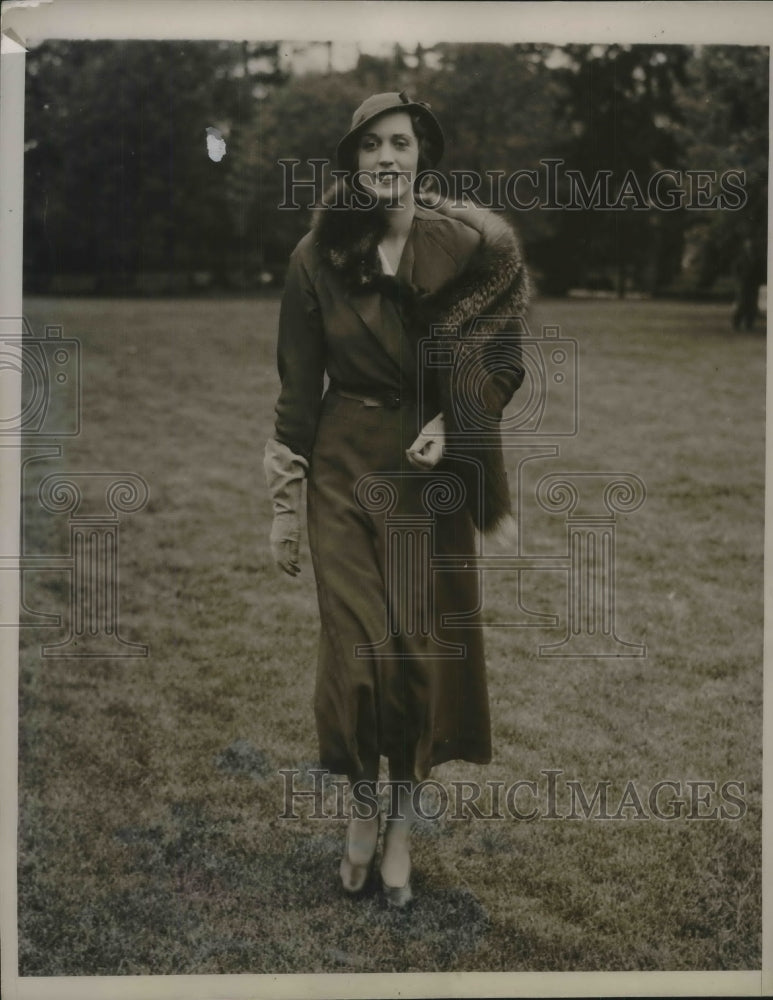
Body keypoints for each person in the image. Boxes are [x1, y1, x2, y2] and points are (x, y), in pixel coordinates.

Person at [264, 91, 529, 906]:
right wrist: (284, 502)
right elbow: (296, 389)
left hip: (426, 473)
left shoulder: (469, 248)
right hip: (342, 466)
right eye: (372, 144)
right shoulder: (317, 254)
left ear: (422, 155)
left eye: (402, 143)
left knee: (416, 655)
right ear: (351, 159)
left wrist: (455, 421)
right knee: (357, 655)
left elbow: (503, 362)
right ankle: (358, 811)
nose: (387, 157)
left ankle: (403, 830)